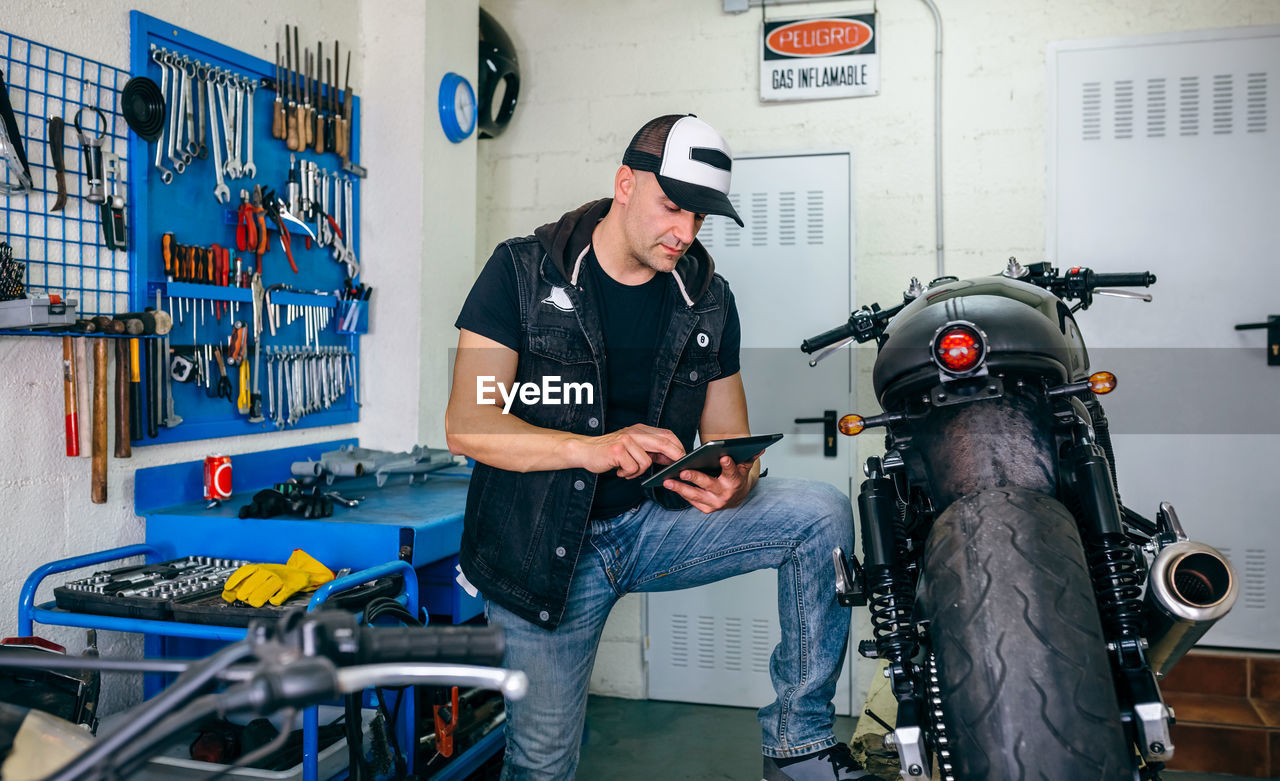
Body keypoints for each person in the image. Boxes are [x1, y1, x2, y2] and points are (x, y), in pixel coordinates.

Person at [446, 114, 878, 781]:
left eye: (700, 216)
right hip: (539, 550)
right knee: (542, 767)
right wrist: (590, 447)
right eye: (672, 206)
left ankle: (798, 747)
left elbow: (732, 441)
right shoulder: (520, 271)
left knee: (819, 513)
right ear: (624, 183)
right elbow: (468, 424)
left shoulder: (708, 297)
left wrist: (739, 476)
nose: (685, 232)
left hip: (650, 526)